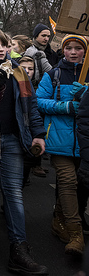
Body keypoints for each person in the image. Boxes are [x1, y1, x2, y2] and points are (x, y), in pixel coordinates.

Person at [0, 27, 48, 275]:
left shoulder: (19, 73)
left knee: (13, 194)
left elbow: (31, 106)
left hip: (10, 141)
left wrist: (38, 134)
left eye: (4, 44)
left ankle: (19, 250)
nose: (1, 48)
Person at [37, 34, 88, 256]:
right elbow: (38, 101)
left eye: (78, 48)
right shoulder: (53, 74)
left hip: (84, 142)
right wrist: (66, 106)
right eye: (70, 48)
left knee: (80, 184)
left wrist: (87, 94)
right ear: (63, 51)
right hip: (59, 141)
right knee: (67, 181)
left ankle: (59, 220)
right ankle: (77, 234)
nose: (74, 52)